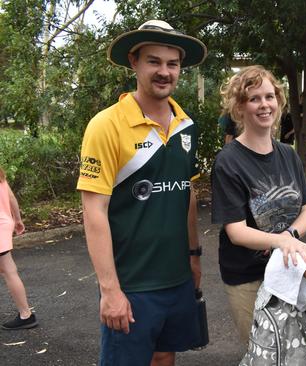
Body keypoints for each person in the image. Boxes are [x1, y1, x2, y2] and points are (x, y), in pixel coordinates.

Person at [77, 20, 207, 366]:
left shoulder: (186, 124)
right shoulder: (106, 125)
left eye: (172, 63)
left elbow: (187, 193)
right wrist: (110, 290)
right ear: (134, 62)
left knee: (165, 356)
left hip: (177, 276)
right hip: (131, 283)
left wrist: (194, 258)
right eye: (154, 61)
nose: (164, 71)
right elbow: (93, 212)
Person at [211, 65, 306, 342]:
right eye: (254, 98)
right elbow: (237, 231)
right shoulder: (228, 162)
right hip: (248, 277)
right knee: (262, 353)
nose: (264, 104)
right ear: (239, 107)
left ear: (278, 102)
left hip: (289, 271)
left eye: (269, 96)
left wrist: (289, 236)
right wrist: (282, 242)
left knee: (295, 348)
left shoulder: (287, 155)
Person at [0, 167, 37, 330]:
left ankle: (26, 315)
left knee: (8, 270)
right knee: (8, 268)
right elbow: (11, 197)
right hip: (4, 222)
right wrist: (17, 219)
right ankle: (26, 315)